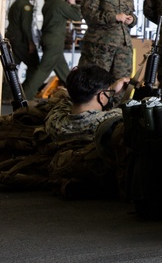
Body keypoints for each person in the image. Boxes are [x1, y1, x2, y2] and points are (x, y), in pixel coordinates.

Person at [44, 64, 130, 198]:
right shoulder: (110, 121)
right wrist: (111, 91)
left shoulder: (55, 121)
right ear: (102, 97)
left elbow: (65, 100)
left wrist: (108, 91)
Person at [79, 0, 137, 81]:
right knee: (95, 81)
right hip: (100, 47)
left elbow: (132, 14)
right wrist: (114, 17)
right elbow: (90, 16)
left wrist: (132, 20)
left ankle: (117, 101)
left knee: (121, 82)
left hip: (123, 47)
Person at [24, 0, 83, 96]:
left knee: (64, 72)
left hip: (48, 39)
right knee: (43, 70)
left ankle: (77, 95)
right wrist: (74, 4)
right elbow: (77, 16)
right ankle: (25, 96)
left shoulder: (48, 3)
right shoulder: (60, 4)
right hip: (55, 41)